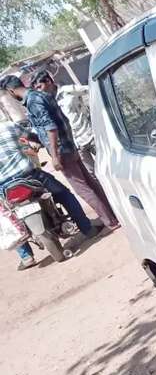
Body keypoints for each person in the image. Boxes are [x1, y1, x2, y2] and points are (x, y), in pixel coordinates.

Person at [5, 70, 119, 229]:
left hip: (62, 151)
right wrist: (39, 140)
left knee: (83, 189)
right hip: (69, 145)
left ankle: (110, 221)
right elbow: (56, 123)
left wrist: (54, 155)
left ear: (11, 91)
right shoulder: (40, 95)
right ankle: (114, 214)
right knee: (90, 183)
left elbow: (51, 128)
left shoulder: (33, 102)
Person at [0, 113, 97, 269]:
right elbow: (31, 136)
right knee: (64, 194)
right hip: (30, 176)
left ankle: (26, 257)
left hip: (3, 187)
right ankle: (87, 228)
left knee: (9, 219)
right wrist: (43, 143)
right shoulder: (8, 127)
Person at [55, 79, 98, 176]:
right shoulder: (48, 102)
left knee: (107, 162)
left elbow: (91, 89)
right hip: (76, 143)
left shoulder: (67, 90)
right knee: (93, 173)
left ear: (48, 82)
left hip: (89, 134)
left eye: (39, 86)